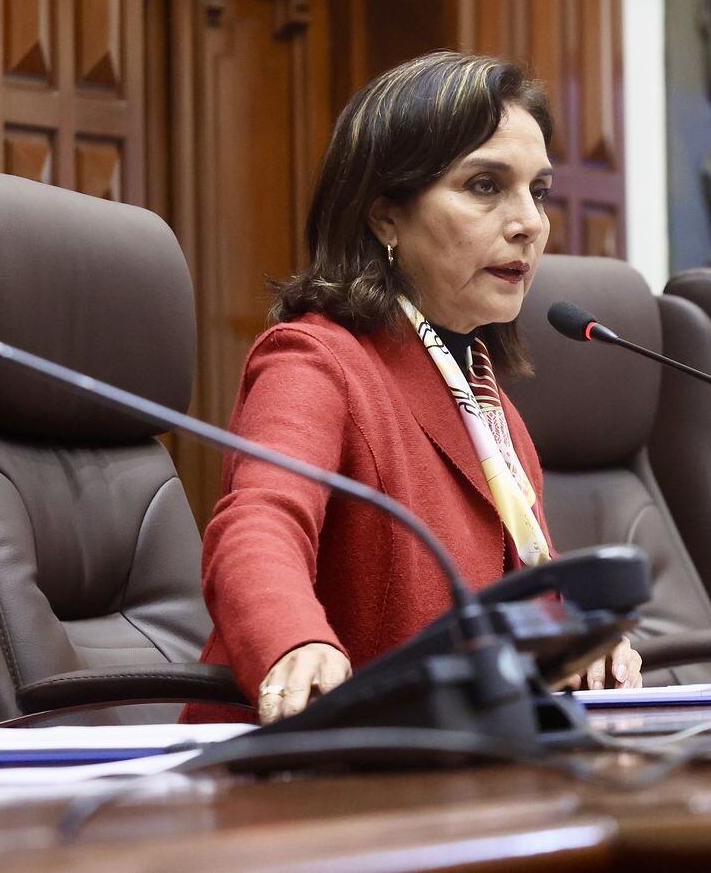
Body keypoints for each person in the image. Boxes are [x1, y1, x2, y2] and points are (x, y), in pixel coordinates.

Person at [183, 52, 642, 726]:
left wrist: (586, 639)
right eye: (485, 186)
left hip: (461, 765)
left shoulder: (488, 403)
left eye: (537, 191)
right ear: (384, 217)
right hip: (302, 778)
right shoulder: (314, 359)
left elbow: (515, 602)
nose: (530, 223)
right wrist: (294, 639)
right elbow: (259, 521)